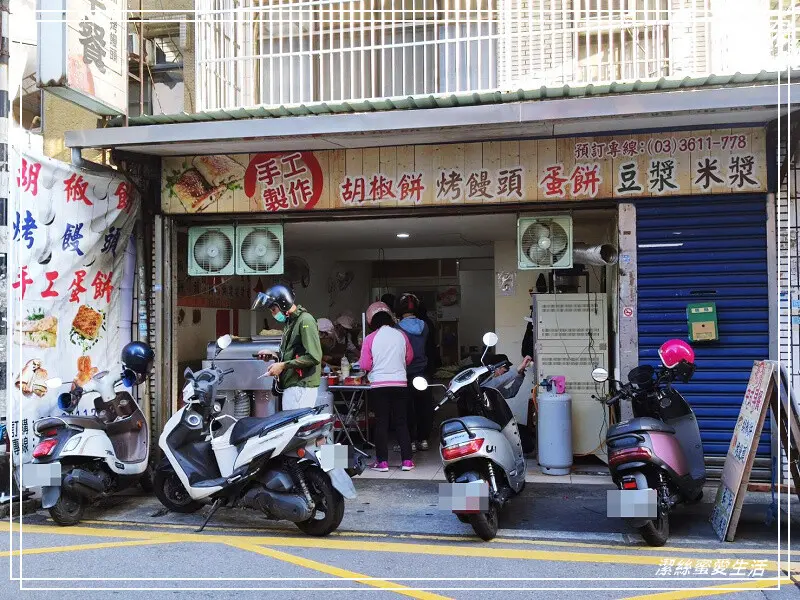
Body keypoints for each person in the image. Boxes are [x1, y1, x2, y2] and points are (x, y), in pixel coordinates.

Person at [359, 301, 414, 472]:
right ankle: (407, 461)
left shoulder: (370, 338)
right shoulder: (401, 335)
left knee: (382, 422)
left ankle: (382, 462)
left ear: (372, 323)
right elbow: (409, 357)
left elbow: (365, 364)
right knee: (401, 422)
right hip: (400, 383)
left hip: (379, 385)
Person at [254, 285, 323, 410]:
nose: (273, 314)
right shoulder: (290, 322)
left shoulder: (305, 321)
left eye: (273, 309)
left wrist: (283, 365)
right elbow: (294, 351)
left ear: (283, 305)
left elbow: (314, 357)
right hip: (292, 385)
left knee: (296, 429)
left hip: (301, 387)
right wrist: (274, 355)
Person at [395, 293, 433, 452]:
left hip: (405, 372)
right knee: (423, 406)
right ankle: (423, 439)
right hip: (422, 370)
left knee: (406, 407)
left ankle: (409, 441)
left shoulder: (397, 328)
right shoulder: (424, 326)